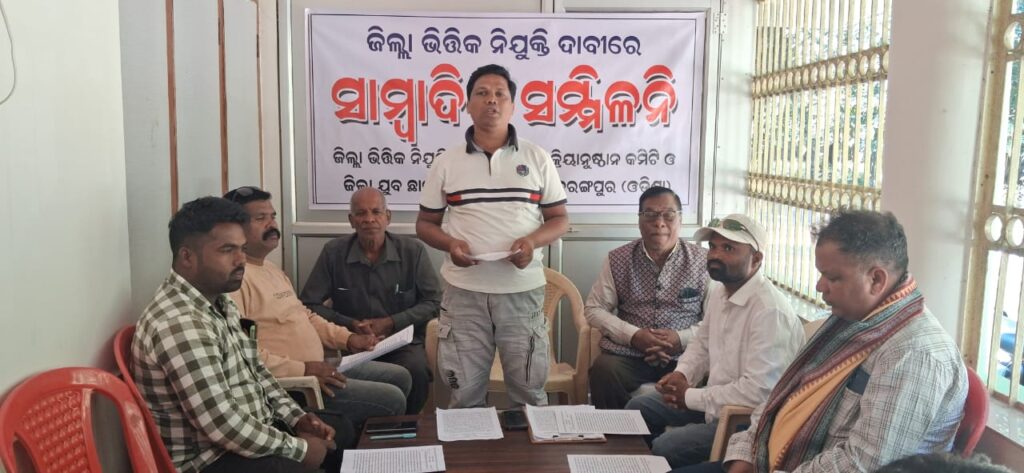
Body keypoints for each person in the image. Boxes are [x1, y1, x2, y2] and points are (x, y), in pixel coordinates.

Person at [683, 210, 968, 473]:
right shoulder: (851, 322)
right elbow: (780, 398)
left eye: (832, 277)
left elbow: (862, 464)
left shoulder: (913, 354)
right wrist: (745, 453)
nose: (819, 286)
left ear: (876, 280)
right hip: (775, 460)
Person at [131, 196, 351, 473]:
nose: (241, 260)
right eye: (227, 250)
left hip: (246, 432)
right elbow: (221, 423)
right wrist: (301, 450)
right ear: (187, 257)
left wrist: (297, 418)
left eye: (242, 249)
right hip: (210, 459)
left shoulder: (220, 302)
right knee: (311, 457)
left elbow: (258, 373)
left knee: (339, 430)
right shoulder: (180, 323)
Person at [415, 63, 569, 408]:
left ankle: (527, 445)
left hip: (521, 293)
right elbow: (424, 224)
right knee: (465, 395)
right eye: (482, 93)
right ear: (467, 105)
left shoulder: (537, 158)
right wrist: (450, 244)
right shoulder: (446, 162)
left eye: (500, 94)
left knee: (529, 395)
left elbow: (559, 219)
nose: (492, 100)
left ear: (512, 106)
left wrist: (531, 242)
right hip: (464, 294)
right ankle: (470, 445)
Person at [625, 214, 805, 468]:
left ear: (756, 259)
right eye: (713, 246)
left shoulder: (769, 312)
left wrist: (689, 397)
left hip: (746, 422)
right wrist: (682, 375)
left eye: (728, 248)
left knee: (666, 447)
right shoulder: (722, 290)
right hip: (715, 403)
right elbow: (701, 342)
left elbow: (758, 393)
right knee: (638, 408)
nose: (715, 255)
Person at [224, 186, 412, 426]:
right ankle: (358, 448)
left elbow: (306, 315)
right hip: (297, 385)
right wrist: (303, 369)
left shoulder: (270, 269)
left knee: (401, 376)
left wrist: (349, 339)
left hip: (320, 366)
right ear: (234, 229)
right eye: (261, 218)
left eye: (273, 216)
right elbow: (244, 356)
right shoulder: (236, 282)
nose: (272, 224)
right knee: (390, 398)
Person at [300, 187, 442, 414]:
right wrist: (350, 324)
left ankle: (407, 425)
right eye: (361, 213)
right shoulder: (333, 252)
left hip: (401, 342)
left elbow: (434, 302)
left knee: (416, 370)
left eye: (376, 212)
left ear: (388, 217)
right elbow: (309, 304)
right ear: (351, 220)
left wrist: (391, 322)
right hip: (352, 343)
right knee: (348, 382)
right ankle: (367, 430)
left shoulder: (412, 251)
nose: (369, 219)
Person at [586, 186, 709, 409]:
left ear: (680, 220)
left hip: (686, 355)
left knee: (709, 373)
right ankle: (618, 431)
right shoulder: (618, 259)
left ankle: (665, 432)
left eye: (668, 215)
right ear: (639, 220)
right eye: (650, 215)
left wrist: (679, 339)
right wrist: (634, 336)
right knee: (604, 371)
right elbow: (594, 309)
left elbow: (716, 320)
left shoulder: (704, 262)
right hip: (631, 355)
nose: (659, 223)